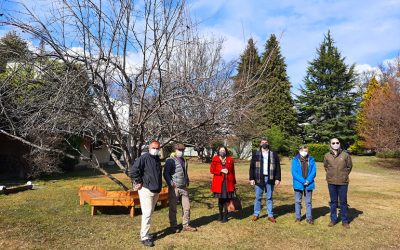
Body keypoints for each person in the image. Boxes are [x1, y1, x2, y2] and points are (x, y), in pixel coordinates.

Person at [128, 140, 163, 247]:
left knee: (150, 212)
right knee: (147, 213)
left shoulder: (156, 159)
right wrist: (138, 181)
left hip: (155, 190)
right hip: (146, 190)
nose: (156, 150)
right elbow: (133, 171)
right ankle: (144, 237)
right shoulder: (144, 158)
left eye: (157, 148)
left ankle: (147, 233)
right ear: (149, 148)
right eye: (154, 148)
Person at [163, 143, 197, 233]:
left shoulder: (184, 160)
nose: (181, 152)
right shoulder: (170, 160)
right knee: (173, 208)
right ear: (175, 150)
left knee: (187, 207)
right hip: (174, 188)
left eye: (182, 150)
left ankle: (186, 225)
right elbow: (166, 173)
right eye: (180, 150)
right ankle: (173, 226)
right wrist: (171, 183)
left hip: (184, 187)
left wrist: (187, 179)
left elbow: (185, 172)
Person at [249, 137, 281, 223]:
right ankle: (256, 214)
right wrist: (251, 178)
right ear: (260, 144)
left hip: (270, 178)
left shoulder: (273, 154)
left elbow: (278, 167)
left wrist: (278, 178)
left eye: (266, 142)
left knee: (269, 197)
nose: (264, 143)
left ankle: (270, 215)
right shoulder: (256, 154)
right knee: (258, 197)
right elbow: (252, 167)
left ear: (268, 143)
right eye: (263, 142)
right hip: (259, 178)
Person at [324, 138, 353, 229]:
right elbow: (326, 167)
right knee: (333, 202)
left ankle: (344, 221)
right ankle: (333, 219)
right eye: (333, 143)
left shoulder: (345, 155)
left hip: (343, 182)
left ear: (339, 144)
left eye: (337, 142)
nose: (335, 144)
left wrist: (344, 175)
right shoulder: (327, 155)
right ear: (330, 144)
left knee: (343, 202)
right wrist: (330, 175)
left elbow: (349, 167)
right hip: (331, 182)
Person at [210, 146, 236, 223]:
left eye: (223, 150)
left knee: (226, 200)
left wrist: (234, 183)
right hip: (218, 183)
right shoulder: (215, 159)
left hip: (228, 183)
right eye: (221, 150)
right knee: (220, 200)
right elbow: (212, 170)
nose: (222, 152)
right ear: (218, 151)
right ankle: (220, 214)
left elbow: (233, 172)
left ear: (226, 151)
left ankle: (225, 215)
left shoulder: (230, 160)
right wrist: (221, 170)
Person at [291, 145, 317, 224]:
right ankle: (298, 217)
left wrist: (308, 180)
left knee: (308, 202)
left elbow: (313, 172)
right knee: (298, 201)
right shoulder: (295, 160)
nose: (304, 152)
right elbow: (294, 172)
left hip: (309, 183)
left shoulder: (311, 159)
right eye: (303, 150)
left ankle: (309, 218)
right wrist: (303, 181)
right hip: (298, 183)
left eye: (306, 151)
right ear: (299, 151)